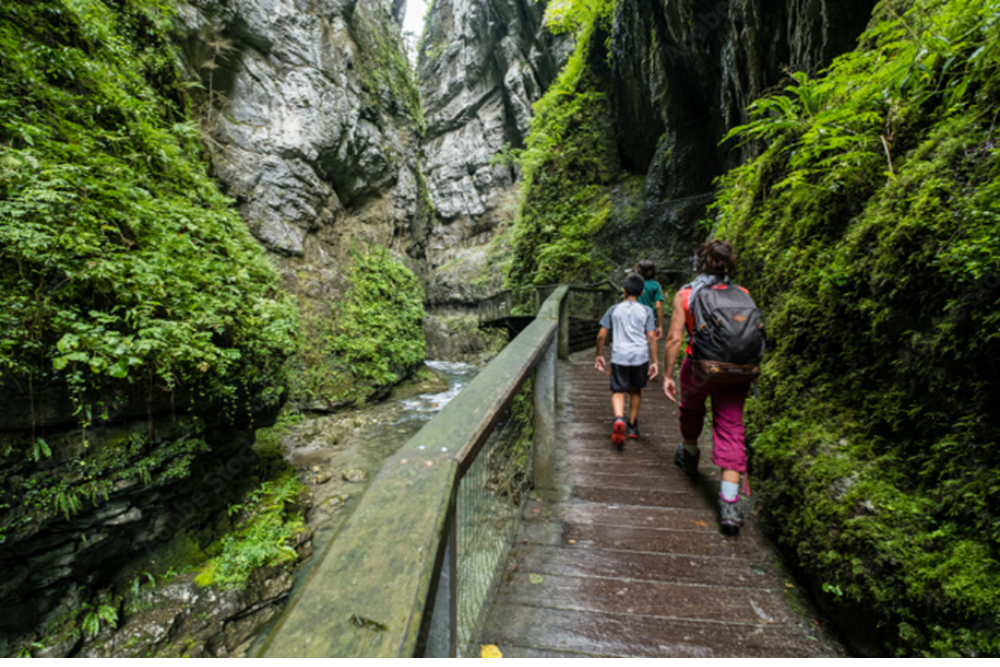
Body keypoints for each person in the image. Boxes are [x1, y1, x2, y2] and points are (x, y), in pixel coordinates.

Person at [662, 240, 753, 535]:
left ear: (699, 262)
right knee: (731, 426)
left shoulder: (686, 295)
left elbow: (675, 339)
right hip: (737, 371)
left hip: (699, 367)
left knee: (691, 409)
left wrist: (667, 374)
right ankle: (729, 503)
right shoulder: (743, 294)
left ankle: (689, 454)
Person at [595, 273, 659, 450]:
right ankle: (632, 426)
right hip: (640, 356)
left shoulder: (614, 309)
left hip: (619, 356)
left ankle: (618, 418)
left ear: (623, 290)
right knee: (635, 390)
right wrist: (655, 361)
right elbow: (651, 337)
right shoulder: (646, 311)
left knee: (618, 389)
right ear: (642, 292)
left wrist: (599, 354)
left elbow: (601, 334)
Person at [635, 260, 665, 340]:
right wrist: (660, 326)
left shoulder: (634, 283)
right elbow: (658, 306)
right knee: (649, 340)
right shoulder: (655, 285)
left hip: (634, 315)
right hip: (650, 317)